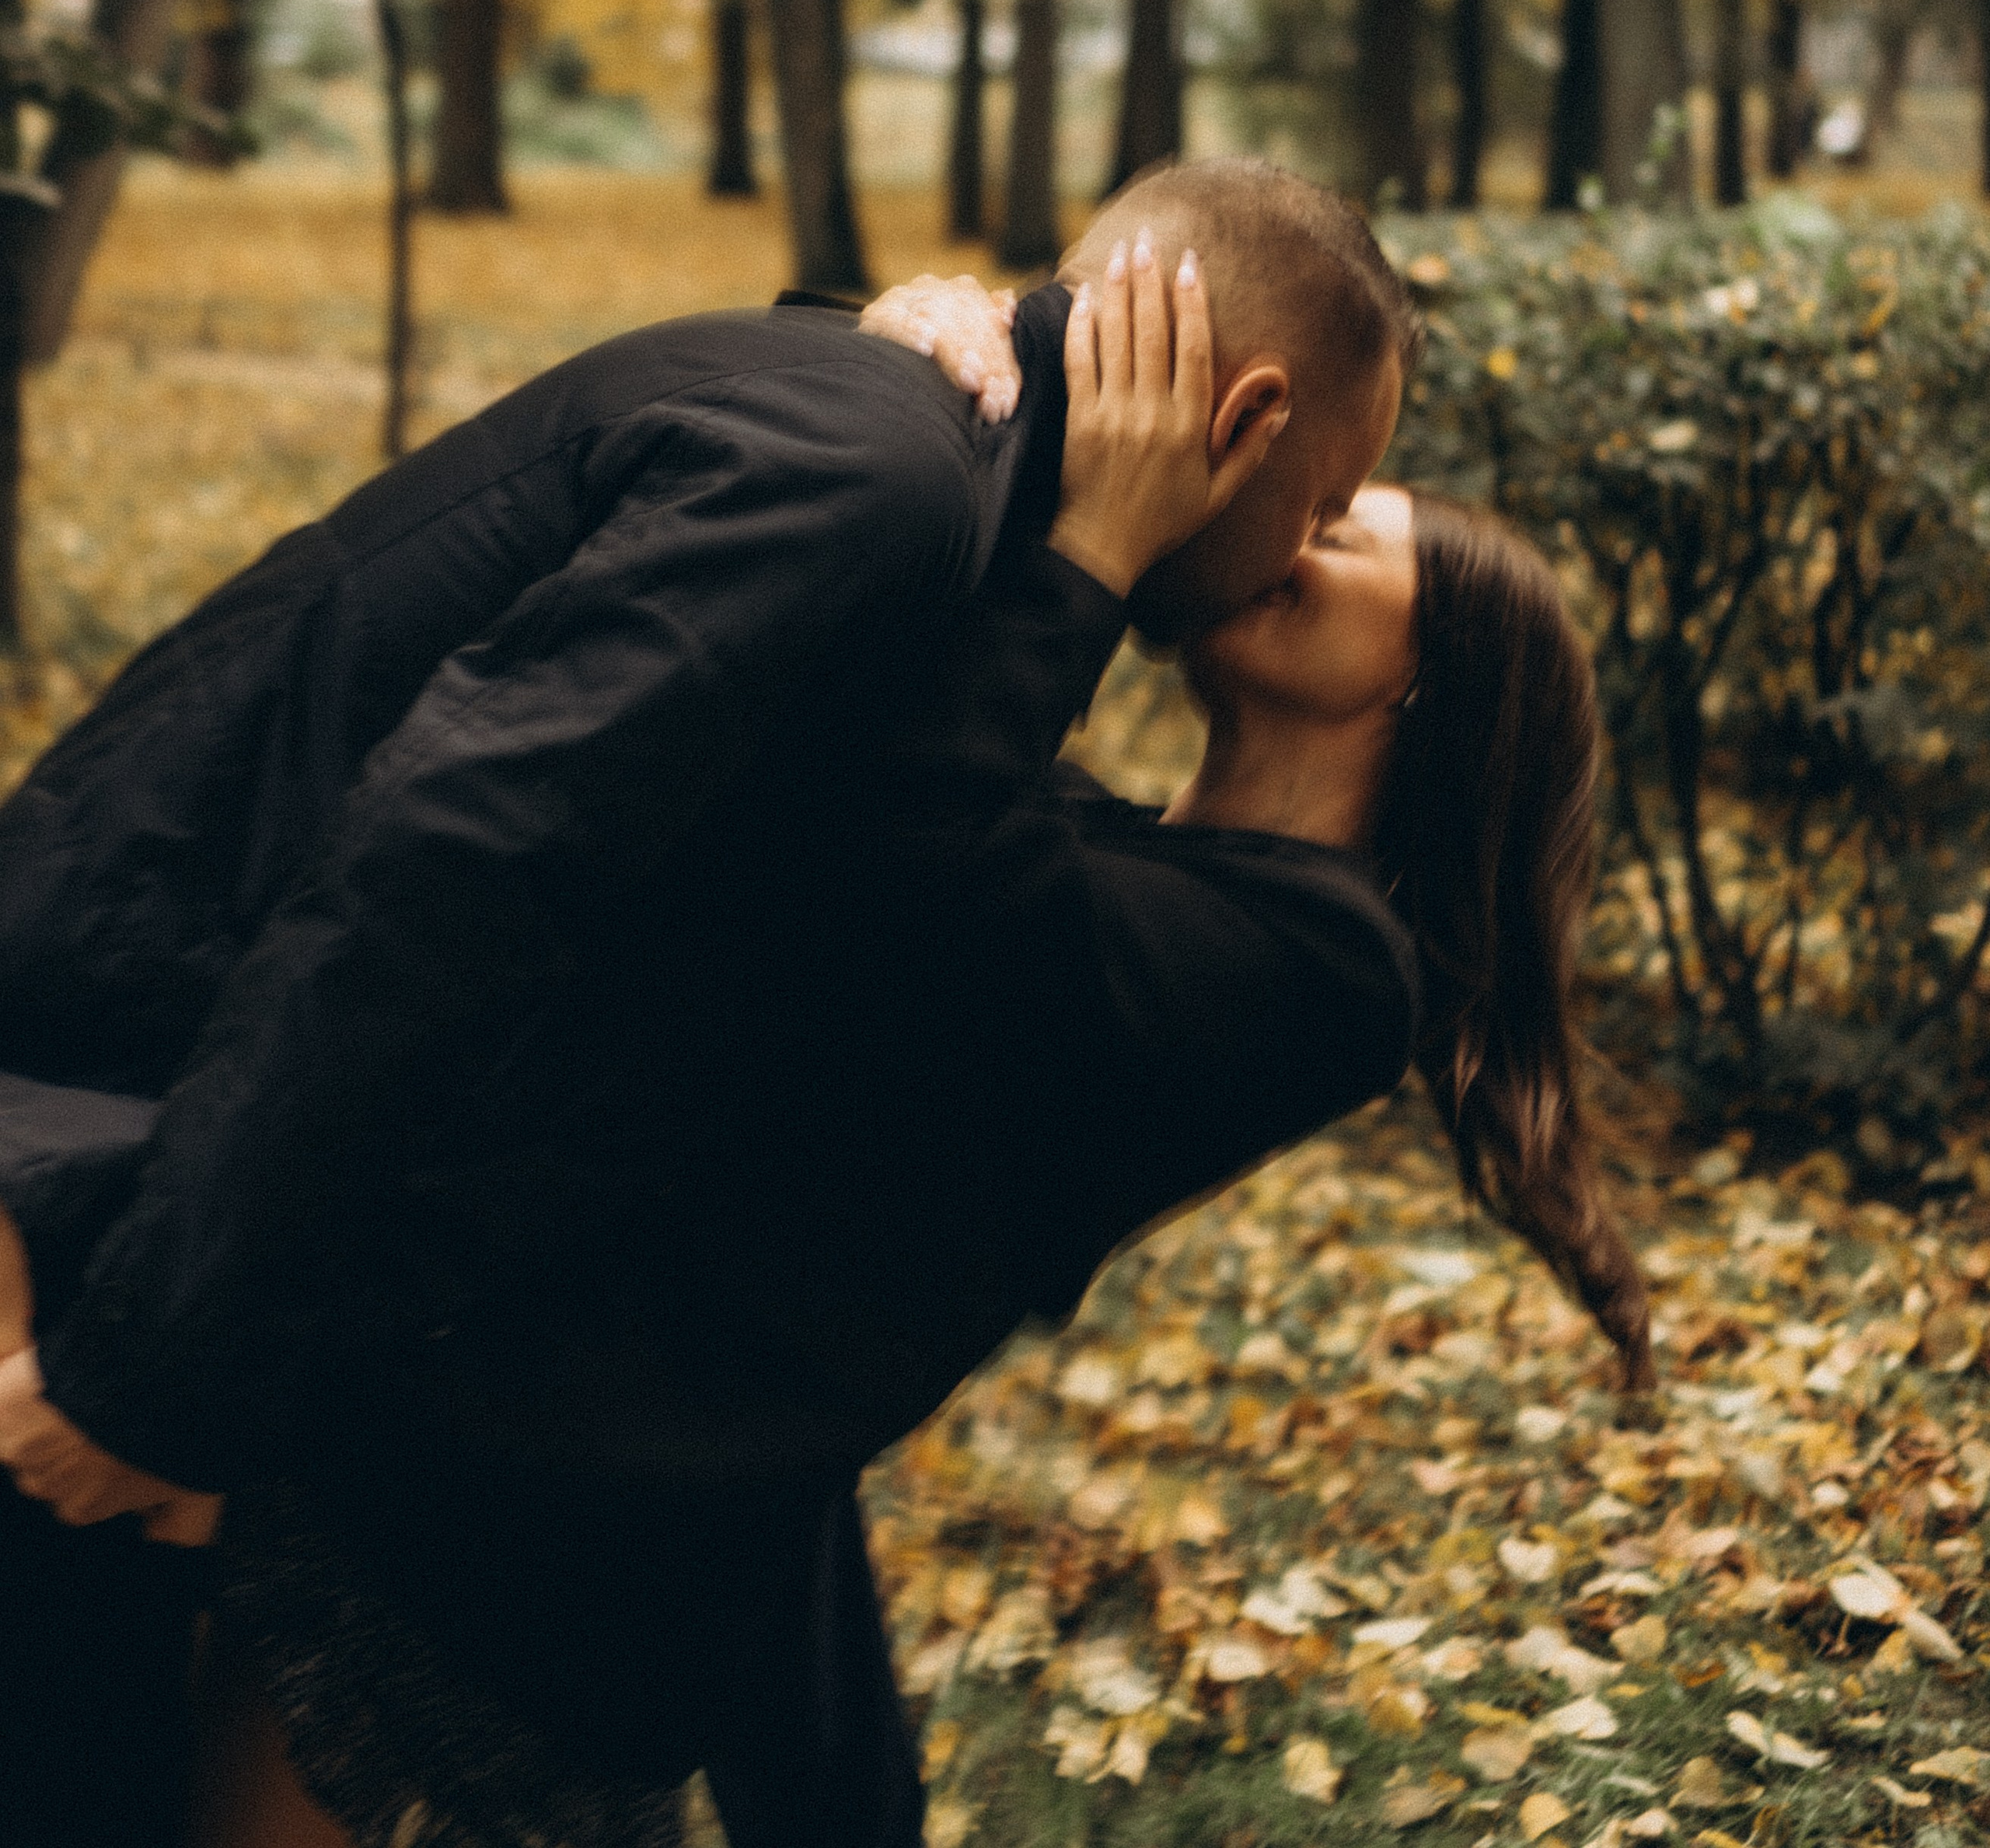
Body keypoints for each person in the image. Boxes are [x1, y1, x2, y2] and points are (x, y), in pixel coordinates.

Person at [0, 162, 1414, 1845]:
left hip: (201, 1158)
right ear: (1242, 416)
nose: (1306, 543)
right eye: (1327, 496)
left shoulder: (925, 492)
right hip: (115, 1113)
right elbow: (448, 866)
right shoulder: (885, 484)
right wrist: (159, 1360)